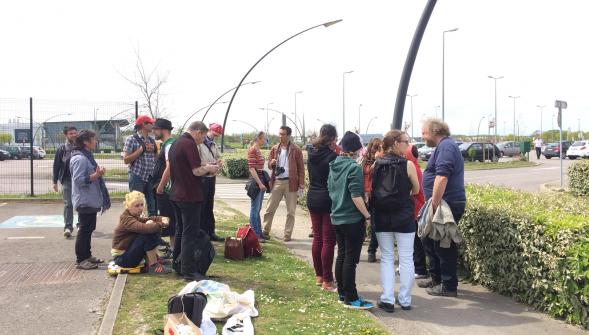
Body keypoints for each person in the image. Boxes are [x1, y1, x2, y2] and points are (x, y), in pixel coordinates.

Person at [371, 130, 420, 313]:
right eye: (405, 142)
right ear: (395, 143)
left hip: (382, 216)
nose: (408, 145)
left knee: (386, 257)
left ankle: (387, 299)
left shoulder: (377, 163)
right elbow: (416, 190)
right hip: (404, 216)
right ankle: (405, 300)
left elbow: (374, 189)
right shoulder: (408, 165)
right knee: (406, 258)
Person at [419, 118, 466, 297]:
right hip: (442, 202)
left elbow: (442, 177)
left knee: (444, 244)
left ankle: (448, 286)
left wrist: (434, 203)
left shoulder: (446, 147)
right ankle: (437, 279)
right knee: (431, 241)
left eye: (424, 132)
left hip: (446, 203)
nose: (422, 136)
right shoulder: (443, 146)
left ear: (434, 131)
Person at [328, 131, 374, 310]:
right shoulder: (354, 168)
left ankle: (342, 293)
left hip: (337, 217)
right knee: (351, 260)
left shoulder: (334, 165)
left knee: (342, 255)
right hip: (352, 219)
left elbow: (330, 190)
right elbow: (356, 196)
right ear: (356, 150)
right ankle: (351, 297)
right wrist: (367, 215)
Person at [168, 121, 220, 281]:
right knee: (189, 233)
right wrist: (210, 168)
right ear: (198, 132)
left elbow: (187, 166)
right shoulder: (189, 144)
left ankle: (177, 264)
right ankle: (189, 271)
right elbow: (196, 171)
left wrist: (205, 164)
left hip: (176, 194)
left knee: (180, 230)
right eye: (203, 136)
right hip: (189, 195)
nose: (203, 139)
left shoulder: (176, 143)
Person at [69, 130, 111, 270]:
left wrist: (96, 174)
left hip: (89, 200)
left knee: (88, 228)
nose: (96, 141)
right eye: (93, 139)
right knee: (85, 230)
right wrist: (96, 175)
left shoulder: (87, 156)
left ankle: (87, 256)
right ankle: (81, 259)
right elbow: (79, 180)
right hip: (84, 200)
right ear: (86, 142)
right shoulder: (80, 159)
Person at [307, 124, 338, 291]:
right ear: (333, 138)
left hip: (312, 196)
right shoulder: (333, 157)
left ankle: (319, 276)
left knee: (317, 238)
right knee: (328, 240)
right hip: (327, 198)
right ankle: (327, 279)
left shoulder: (311, 153)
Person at [111, 191, 172, 274]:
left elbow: (148, 219)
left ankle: (155, 259)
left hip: (127, 254)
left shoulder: (134, 215)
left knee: (151, 225)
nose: (140, 208)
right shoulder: (127, 219)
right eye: (137, 206)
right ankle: (153, 265)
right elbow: (145, 228)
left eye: (142, 205)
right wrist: (162, 223)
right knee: (148, 231)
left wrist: (163, 218)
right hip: (123, 260)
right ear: (128, 207)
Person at [262, 126, 305, 242]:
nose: (280, 136)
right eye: (279, 134)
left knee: (291, 211)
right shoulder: (275, 148)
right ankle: (265, 231)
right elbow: (270, 166)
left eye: (283, 134)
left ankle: (287, 234)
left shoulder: (296, 150)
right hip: (277, 181)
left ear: (289, 135)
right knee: (269, 208)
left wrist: (301, 184)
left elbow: (301, 168)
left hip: (291, 183)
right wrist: (272, 163)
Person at [123, 115, 157, 216]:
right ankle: (134, 227)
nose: (152, 125)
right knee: (135, 205)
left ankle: (152, 228)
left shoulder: (151, 140)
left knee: (152, 205)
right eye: (150, 123)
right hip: (137, 176)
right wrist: (141, 149)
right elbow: (126, 160)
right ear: (144, 124)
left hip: (149, 176)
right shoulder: (131, 139)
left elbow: (156, 159)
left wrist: (154, 150)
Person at [153, 118, 176, 256]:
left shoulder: (169, 145)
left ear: (163, 130)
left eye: (155, 129)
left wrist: (161, 186)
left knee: (170, 219)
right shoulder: (166, 144)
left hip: (167, 189)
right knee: (169, 218)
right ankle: (173, 247)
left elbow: (169, 167)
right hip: (167, 188)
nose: (154, 132)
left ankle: (173, 248)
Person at [198, 123, 225, 242]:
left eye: (218, 135)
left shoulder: (213, 144)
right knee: (202, 206)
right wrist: (208, 165)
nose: (215, 137)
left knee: (209, 205)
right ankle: (203, 233)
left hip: (211, 177)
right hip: (202, 176)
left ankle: (211, 231)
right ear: (209, 130)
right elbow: (196, 161)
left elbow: (219, 156)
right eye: (214, 134)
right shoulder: (199, 143)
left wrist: (219, 162)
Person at [404, 144, 427, 280]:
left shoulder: (411, 167)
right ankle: (417, 267)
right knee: (414, 240)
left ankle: (420, 269)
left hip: (415, 207)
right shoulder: (414, 165)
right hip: (416, 206)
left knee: (416, 241)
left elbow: (415, 190)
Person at [52, 126, 78, 238]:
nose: (73, 135)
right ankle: (68, 227)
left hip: (80, 180)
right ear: (66, 135)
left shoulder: (81, 146)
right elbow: (56, 166)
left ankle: (81, 224)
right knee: (68, 204)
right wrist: (54, 182)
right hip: (67, 180)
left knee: (81, 203)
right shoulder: (62, 149)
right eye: (71, 133)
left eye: (74, 133)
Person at [361, 138, 383, 263]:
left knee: (375, 225)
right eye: (375, 147)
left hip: (375, 195)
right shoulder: (364, 159)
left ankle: (371, 251)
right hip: (363, 194)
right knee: (360, 223)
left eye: (379, 147)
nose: (377, 150)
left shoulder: (382, 162)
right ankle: (359, 246)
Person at [247, 131, 269, 241]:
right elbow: (251, 168)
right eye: (264, 138)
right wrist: (260, 183)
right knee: (254, 208)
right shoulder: (253, 150)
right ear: (259, 139)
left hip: (260, 180)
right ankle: (255, 234)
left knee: (257, 208)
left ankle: (258, 232)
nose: (265, 140)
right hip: (256, 182)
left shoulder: (257, 149)